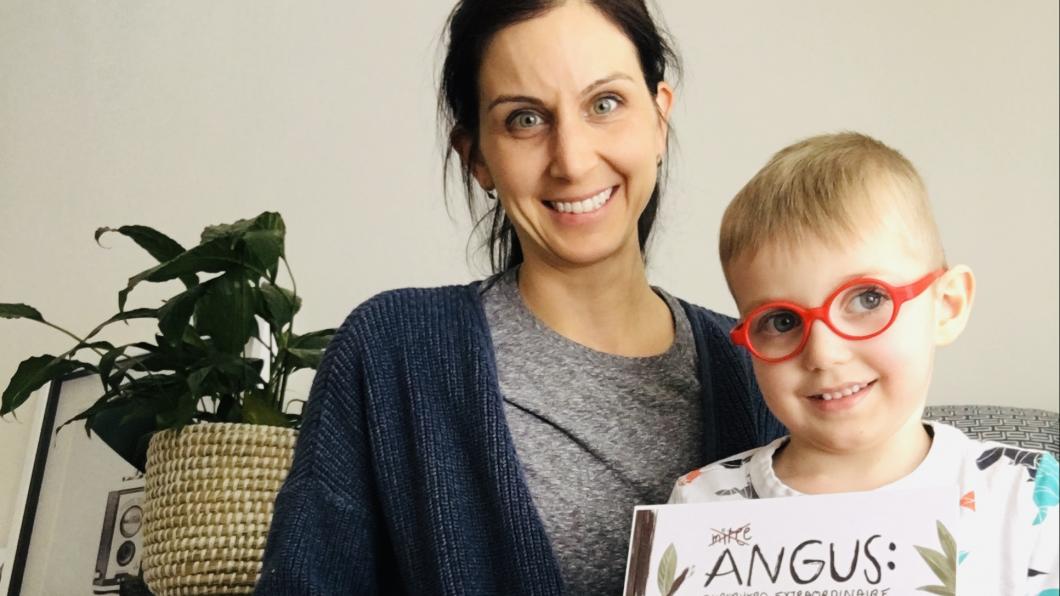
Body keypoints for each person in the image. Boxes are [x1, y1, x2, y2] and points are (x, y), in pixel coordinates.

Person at [254, 1, 783, 594]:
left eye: (605, 104)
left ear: (659, 119)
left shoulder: (765, 365)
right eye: (525, 120)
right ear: (476, 155)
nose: (573, 160)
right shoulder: (391, 353)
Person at [669, 132, 1059, 593]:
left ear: (947, 305)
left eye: (868, 298)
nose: (823, 353)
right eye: (780, 321)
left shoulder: (1031, 497)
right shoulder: (700, 506)